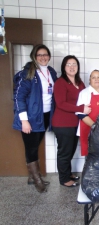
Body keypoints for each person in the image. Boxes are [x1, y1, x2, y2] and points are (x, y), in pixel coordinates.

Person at [13, 44, 57, 193]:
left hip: (44, 115)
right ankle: (37, 180)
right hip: (30, 117)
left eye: (45, 54)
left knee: (36, 144)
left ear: (49, 56)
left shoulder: (51, 72)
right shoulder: (28, 72)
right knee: (31, 147)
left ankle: (32, 176)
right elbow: (19, 97)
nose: (43, 57)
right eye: (39, 55)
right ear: (34, 56)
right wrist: (24, 120)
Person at [52, 55, 91, 187]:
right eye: (68, 64)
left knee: (71, 150)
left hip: (75, 124)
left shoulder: (79, 83)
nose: (72, 67)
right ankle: (64, 179)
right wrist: (81, 108)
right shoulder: (60, 83)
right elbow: (61, 103)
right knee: (64, 152)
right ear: (64, 67)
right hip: (63, 123)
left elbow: (86, 95)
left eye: (74, 64)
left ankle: (68, 173)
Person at [76, 69, 99, 156]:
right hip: (89, 130)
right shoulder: (84, 93)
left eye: (98, 77)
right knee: (90, 158)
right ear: (89, 80)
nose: (96, 79)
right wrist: (95, 126)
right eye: (93, 77)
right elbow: (80, 114)